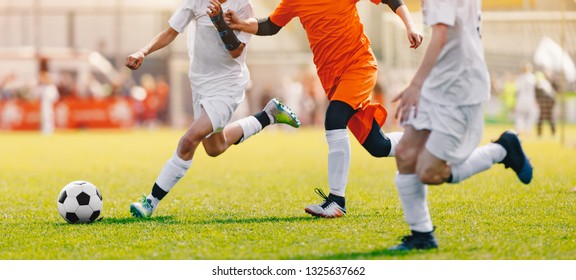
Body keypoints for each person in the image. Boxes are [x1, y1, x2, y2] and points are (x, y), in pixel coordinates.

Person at [226, 0, 423, 218]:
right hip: (332, 79)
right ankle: (424, 143)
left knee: (334, 117)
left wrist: (410, 26)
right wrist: (243, 24)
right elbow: (271, 25)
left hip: (359, 65)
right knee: (378, 146)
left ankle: (336, 201)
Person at [127, 0, 301, 218]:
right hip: (200, 85)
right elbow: (171, 32)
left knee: (188, 140)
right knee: (215, 148)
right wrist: (143, 52)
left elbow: (236, 51)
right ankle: (268, 116)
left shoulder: (242, 6)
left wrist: (219, 20)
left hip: (227, 86)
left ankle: (151, 202)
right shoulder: (195, 1)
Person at [389, 0, 533, 250]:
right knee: (404, 154)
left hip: (460, 89)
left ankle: (501, 150)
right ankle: (422, 236)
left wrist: (416, 84)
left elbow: (441, 35)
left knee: (429, 172)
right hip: (438, 83)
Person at [514, 63, 538, 136]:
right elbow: (535, 90)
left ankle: (519, 129)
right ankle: (528, 129)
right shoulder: (532, 77)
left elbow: (517, 90)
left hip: (521, 99)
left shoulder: (519, 78)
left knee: (519, 115)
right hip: (530, 99)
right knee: (531, 115)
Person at [534, 70, 556, 137]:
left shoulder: (540, 84)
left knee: (543, 118)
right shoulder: (546, 82)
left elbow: (540, 94)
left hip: (546, 102)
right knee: (549, 118)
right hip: (549, 102)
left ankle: (540, 134)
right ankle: (552, 133)